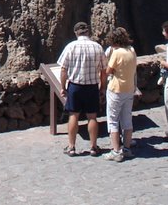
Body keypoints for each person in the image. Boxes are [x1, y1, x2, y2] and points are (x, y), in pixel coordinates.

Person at [57, 21, 106, 156]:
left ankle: (72, 147)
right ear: (88, 32)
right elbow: (103, 71)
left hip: (75, 86)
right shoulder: (97, 47)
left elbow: (63, 69)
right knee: (92, 117)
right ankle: (93, 147)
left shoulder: (70, 47)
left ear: (76, 33)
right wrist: (102, 88)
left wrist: (62, 87)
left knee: (73, 115)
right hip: (92, 86)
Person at [103, 27, 137, 162]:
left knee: (112, 120)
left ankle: (116, 151)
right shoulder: (132, 50)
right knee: (127, 119)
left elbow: (109, 70)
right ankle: (127, 149)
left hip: (116, 90)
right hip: (129, 89)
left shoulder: (117, 53)